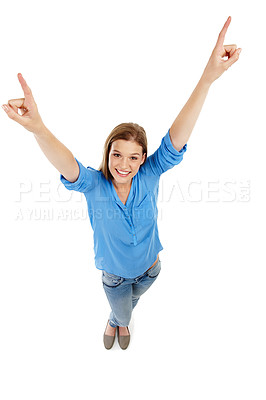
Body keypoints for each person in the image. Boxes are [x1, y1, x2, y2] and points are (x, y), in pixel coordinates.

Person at [2, 16, 241, 350]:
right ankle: (119, 320)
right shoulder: (95, 185)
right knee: (125, 312)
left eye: (133, 157)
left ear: (143, 159)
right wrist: (38, 128)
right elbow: (67, 164)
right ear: (108, 153)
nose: (124, 165)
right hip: (114, 277)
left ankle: (118, 317)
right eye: (117, 155)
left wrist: (207, 79)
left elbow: (176, 138)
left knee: (131, 303)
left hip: (151, 269)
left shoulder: (151, 173)